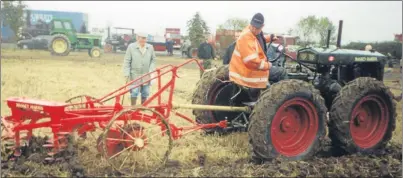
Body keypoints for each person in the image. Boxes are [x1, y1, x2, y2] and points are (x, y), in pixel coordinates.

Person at [228, 13, 279, 100]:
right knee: (281, 72)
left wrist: (269, 38)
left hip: (249, 69)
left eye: (257, 28)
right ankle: (282, 99)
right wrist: (268, 65)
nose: (254, 29)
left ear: (262, 26)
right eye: (253, 26)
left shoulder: (255, 34)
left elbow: (258, 40)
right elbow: (252, 63)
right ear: (250, 23)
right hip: (248, 73)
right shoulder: (245, 37)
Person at [123, 32, 156, 105]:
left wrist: (151, 70)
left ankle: (143, 107)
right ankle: (133, 107)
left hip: (146, 74)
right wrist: (126, 73)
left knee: (145, 92)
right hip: (135, 74)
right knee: (134, 92)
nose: (143, 40)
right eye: (142, 38)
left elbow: (153, 60)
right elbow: (127, 60)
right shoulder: (131, 47)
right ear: (137, 38)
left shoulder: (150, 47)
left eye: (145, 38)